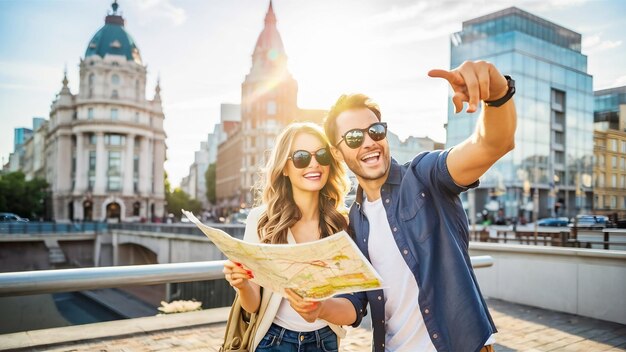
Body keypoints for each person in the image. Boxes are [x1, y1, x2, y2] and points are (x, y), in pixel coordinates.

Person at [286, 61, 517, 352]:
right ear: (337, 152)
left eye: (376, 131)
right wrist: (320, 308)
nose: (369, 142)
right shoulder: (354, 221)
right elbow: (356, 305)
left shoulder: (425, 176)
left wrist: (498, 94)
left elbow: (491, 144)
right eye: (355, 137)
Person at [222, 122, 351, 351]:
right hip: (273, 341)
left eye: (321, 155)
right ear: (284, 167)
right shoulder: (261, 220)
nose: (314, 163)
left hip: (325, 341)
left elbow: (351, 303)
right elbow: (253, 306)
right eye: (301, 157)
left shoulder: (341, 222)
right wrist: (241, 285)